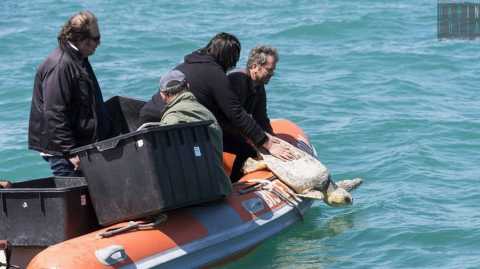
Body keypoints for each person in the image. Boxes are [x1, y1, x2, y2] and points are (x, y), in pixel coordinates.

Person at [174, 33, 295, 182]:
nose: (272, 74)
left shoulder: (259, 87)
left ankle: (238, 179)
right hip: (216, 129)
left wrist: (274, 141)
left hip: (231, 129)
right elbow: (233, 115)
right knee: (247, 149)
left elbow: (261, 118)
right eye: (269, 70)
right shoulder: (237, 81)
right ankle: (236, 184)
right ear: (254, 66)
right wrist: (261, 141)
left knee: (252, 146)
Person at [28, 11, 112, 176]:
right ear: (81, 39)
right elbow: (54, 112)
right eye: (96, 38)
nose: (99, 43)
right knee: (75, 199)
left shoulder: (77, 58)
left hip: (78, 147)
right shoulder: (61, 65)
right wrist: (71, 152)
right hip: (65, 154)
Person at [144, 69, 231, 193]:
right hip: (220, 186)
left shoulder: (172, 117)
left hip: (194, 192)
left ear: (163, 95)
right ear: (188, 87)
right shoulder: (207, 113)